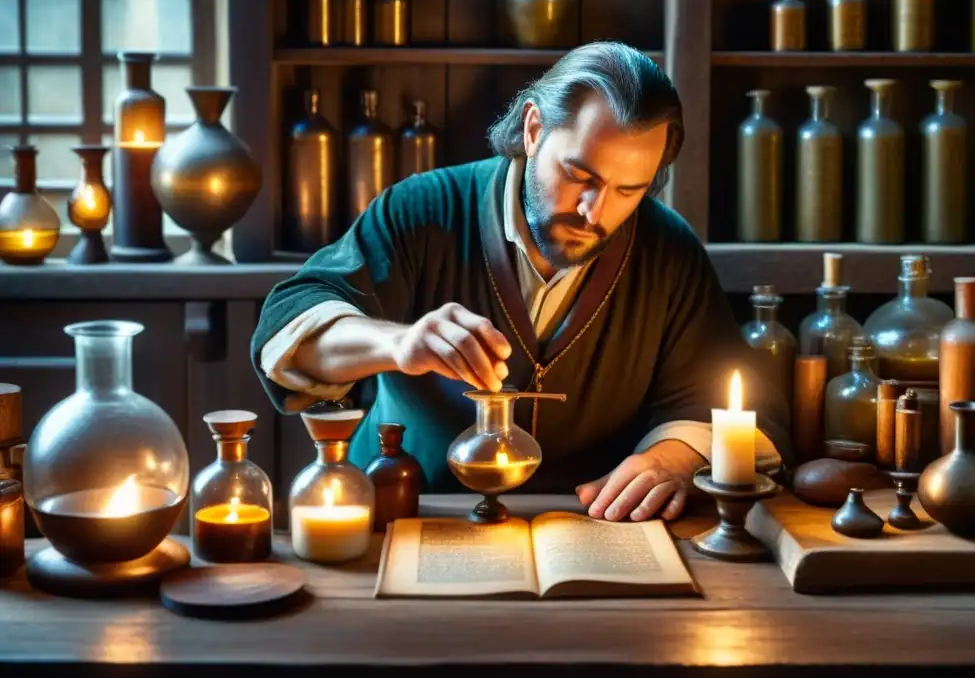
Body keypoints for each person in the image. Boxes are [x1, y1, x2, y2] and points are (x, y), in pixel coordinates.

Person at [252, 41, 792, 523]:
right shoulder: (421, 210)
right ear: (534, 130)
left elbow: (742, 408)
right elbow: (290, 322)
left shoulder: (668, 250)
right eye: (580, 175)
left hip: (593, 531)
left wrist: (675, 457)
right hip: (411, 517)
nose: (594, 211)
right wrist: (398, 342)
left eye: (630, 190)